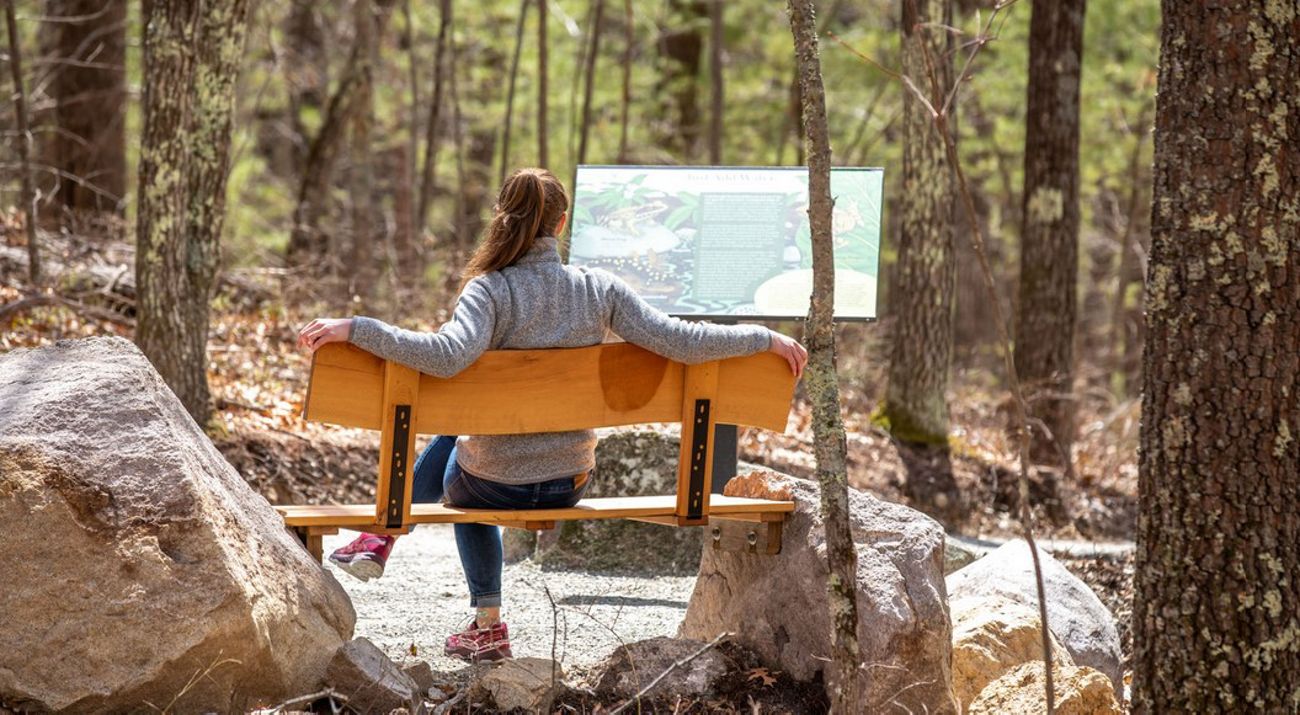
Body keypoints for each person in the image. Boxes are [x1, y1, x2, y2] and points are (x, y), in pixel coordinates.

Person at [297, 167, 807, 663]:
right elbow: (682, 341)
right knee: (467, 437)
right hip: (569, 479)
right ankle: (410, 566)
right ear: (561, 224)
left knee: (462, 447)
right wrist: (762, 336)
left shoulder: (490, 290)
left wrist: (358, 327)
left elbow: (445, 356)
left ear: (501, 218)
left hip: (491, 485)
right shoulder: (598, 289)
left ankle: (467, 607)